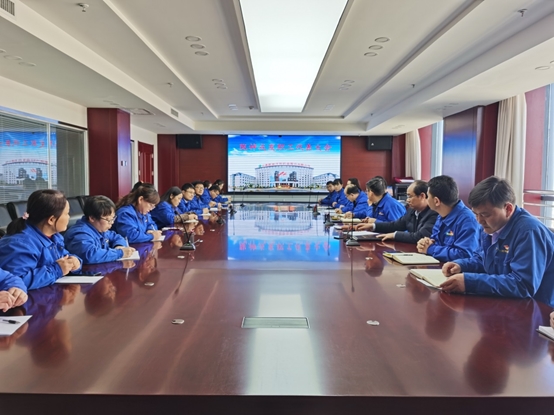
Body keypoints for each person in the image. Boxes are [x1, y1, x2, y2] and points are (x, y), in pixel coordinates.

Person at [440, 176, 554, 305]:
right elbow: (484, 259)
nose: (479, 221)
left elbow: (523, 285)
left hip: (536, 308)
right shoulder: (490, 227)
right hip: (505, 302)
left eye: (485, 215)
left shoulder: (529, 232)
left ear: (508, 209)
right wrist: (461, 265)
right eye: (476, 214)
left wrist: (470, 282)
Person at [0, 189, 82, 289]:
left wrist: (74, 262)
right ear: (51, 219)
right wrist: (57, 270)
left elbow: (64, 257)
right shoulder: (20, 244)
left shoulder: (54, 237)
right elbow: (16, 282)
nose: (69, 217)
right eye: (67, 213)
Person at [416, 175, 480, 262]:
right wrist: (425, 243)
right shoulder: (441, 215)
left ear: (436, 201)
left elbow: (464, 254)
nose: (426, 200)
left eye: (427, 196)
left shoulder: (468, 220)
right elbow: (435, 241)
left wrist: (431, 249)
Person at [355, 180, 438, 243]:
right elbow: (395, 225)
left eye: (410, 196)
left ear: (422, 196)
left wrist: (394, 235)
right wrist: (373, 226)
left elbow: (420, 236)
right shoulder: (412, 210)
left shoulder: (433, 213)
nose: (407, 200)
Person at [64, 196, 136, 264]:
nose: (112, 222)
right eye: (108, 220)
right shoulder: (80, 234)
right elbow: (91, 255)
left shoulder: (100, 229)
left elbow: (117, 237)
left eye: (113, 218)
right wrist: (120, 253)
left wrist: (119, 246)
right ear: (92, 218)